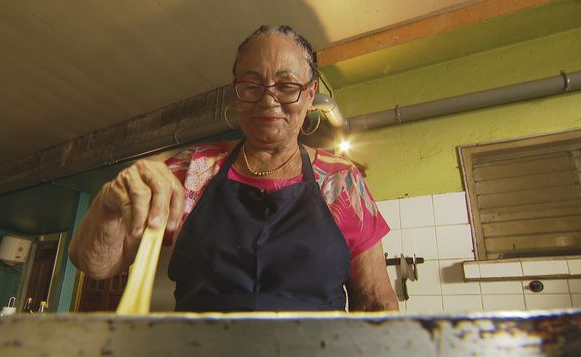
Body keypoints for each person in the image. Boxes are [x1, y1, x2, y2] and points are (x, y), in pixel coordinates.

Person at [69, 25, 398, 312]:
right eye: (252, 86)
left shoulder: (342, 181)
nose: (268, 101)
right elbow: (95, 264)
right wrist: (109, 204)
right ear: (236, 95)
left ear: (310, 94)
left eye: (286, 86)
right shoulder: (189, 171)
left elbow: (375, 303)